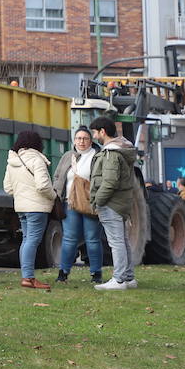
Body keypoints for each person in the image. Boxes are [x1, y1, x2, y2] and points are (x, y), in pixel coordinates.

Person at [89, 117, 140, 290]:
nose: (94, 136)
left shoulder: (111, 152)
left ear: (103, 131)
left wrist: (98, 201)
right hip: (121, 202)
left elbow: (109, 181)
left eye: (95, 132)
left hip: (111, 203)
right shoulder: (122, 148)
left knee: (116, 242)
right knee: (122, 240)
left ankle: (118, 280)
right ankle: (128, 278)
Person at [3, 130, 55, 290]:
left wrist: (22, 196)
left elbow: (7, 187)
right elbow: (43, 185)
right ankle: (28, 277)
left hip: (21, 207)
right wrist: (53, 195)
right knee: (32, 240)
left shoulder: (12, 161)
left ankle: (27, 275)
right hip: (37, 207)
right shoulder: (37, 160)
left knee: (26, 240)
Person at [53, 127, 104, 284]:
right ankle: (63, 272)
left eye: (85, 138)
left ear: (91, 141)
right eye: (78, 138)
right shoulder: (68, 157)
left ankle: (96, 273)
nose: (81, 141)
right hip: (70, 203)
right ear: (74, 141)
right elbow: (58, 176)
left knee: (92, 238)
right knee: (69, 238)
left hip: (90, 204)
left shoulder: (97, 156)